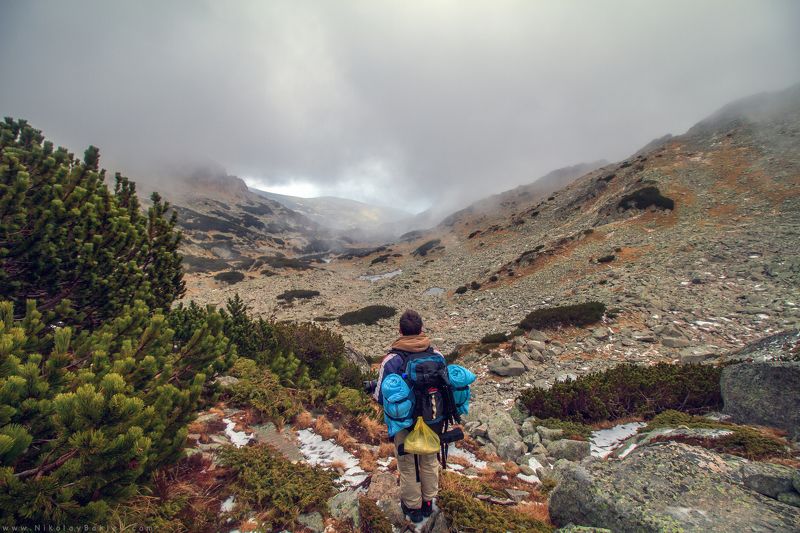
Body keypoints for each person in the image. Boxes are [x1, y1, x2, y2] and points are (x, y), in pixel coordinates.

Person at [372, 309, 442, 523]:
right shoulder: (437, 355)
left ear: (400, 331)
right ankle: (429, 502)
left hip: (403, 423)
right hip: (432, 419)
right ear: (421, 329)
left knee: (407, 463)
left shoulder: (391, 360)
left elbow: (380, 397)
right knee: (429, 461)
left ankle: (412, 507)